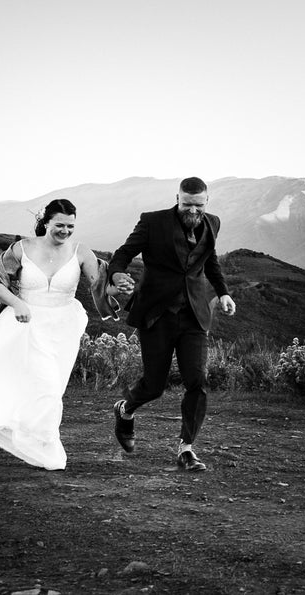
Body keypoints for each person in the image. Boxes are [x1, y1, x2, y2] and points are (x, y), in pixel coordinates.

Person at [108, 177, 235, 472]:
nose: (192, 210)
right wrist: (116, 275)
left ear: (207, 201)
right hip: (157, 313)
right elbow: (123, 254)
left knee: (198, 381)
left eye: (198, 205)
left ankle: (186, 449)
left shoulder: (213, 222)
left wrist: (224, 292)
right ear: (176, 198)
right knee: (154, 386)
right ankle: (125, 409)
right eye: (186, 204)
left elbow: (210, 261)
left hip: (195, 314)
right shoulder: (153, 222)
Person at [0, 199, 104, 470]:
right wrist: (18, 303)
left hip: (64, 327)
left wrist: (120, 286)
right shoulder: (22, 248)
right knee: (44, 384)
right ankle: (47, 446)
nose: (65, 231)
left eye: (70, 226)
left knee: (54, 387)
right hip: (28, 324)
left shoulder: (81, 252)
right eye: (59, 225)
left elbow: (100, 285)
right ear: (46, 222)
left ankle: (32, 433)